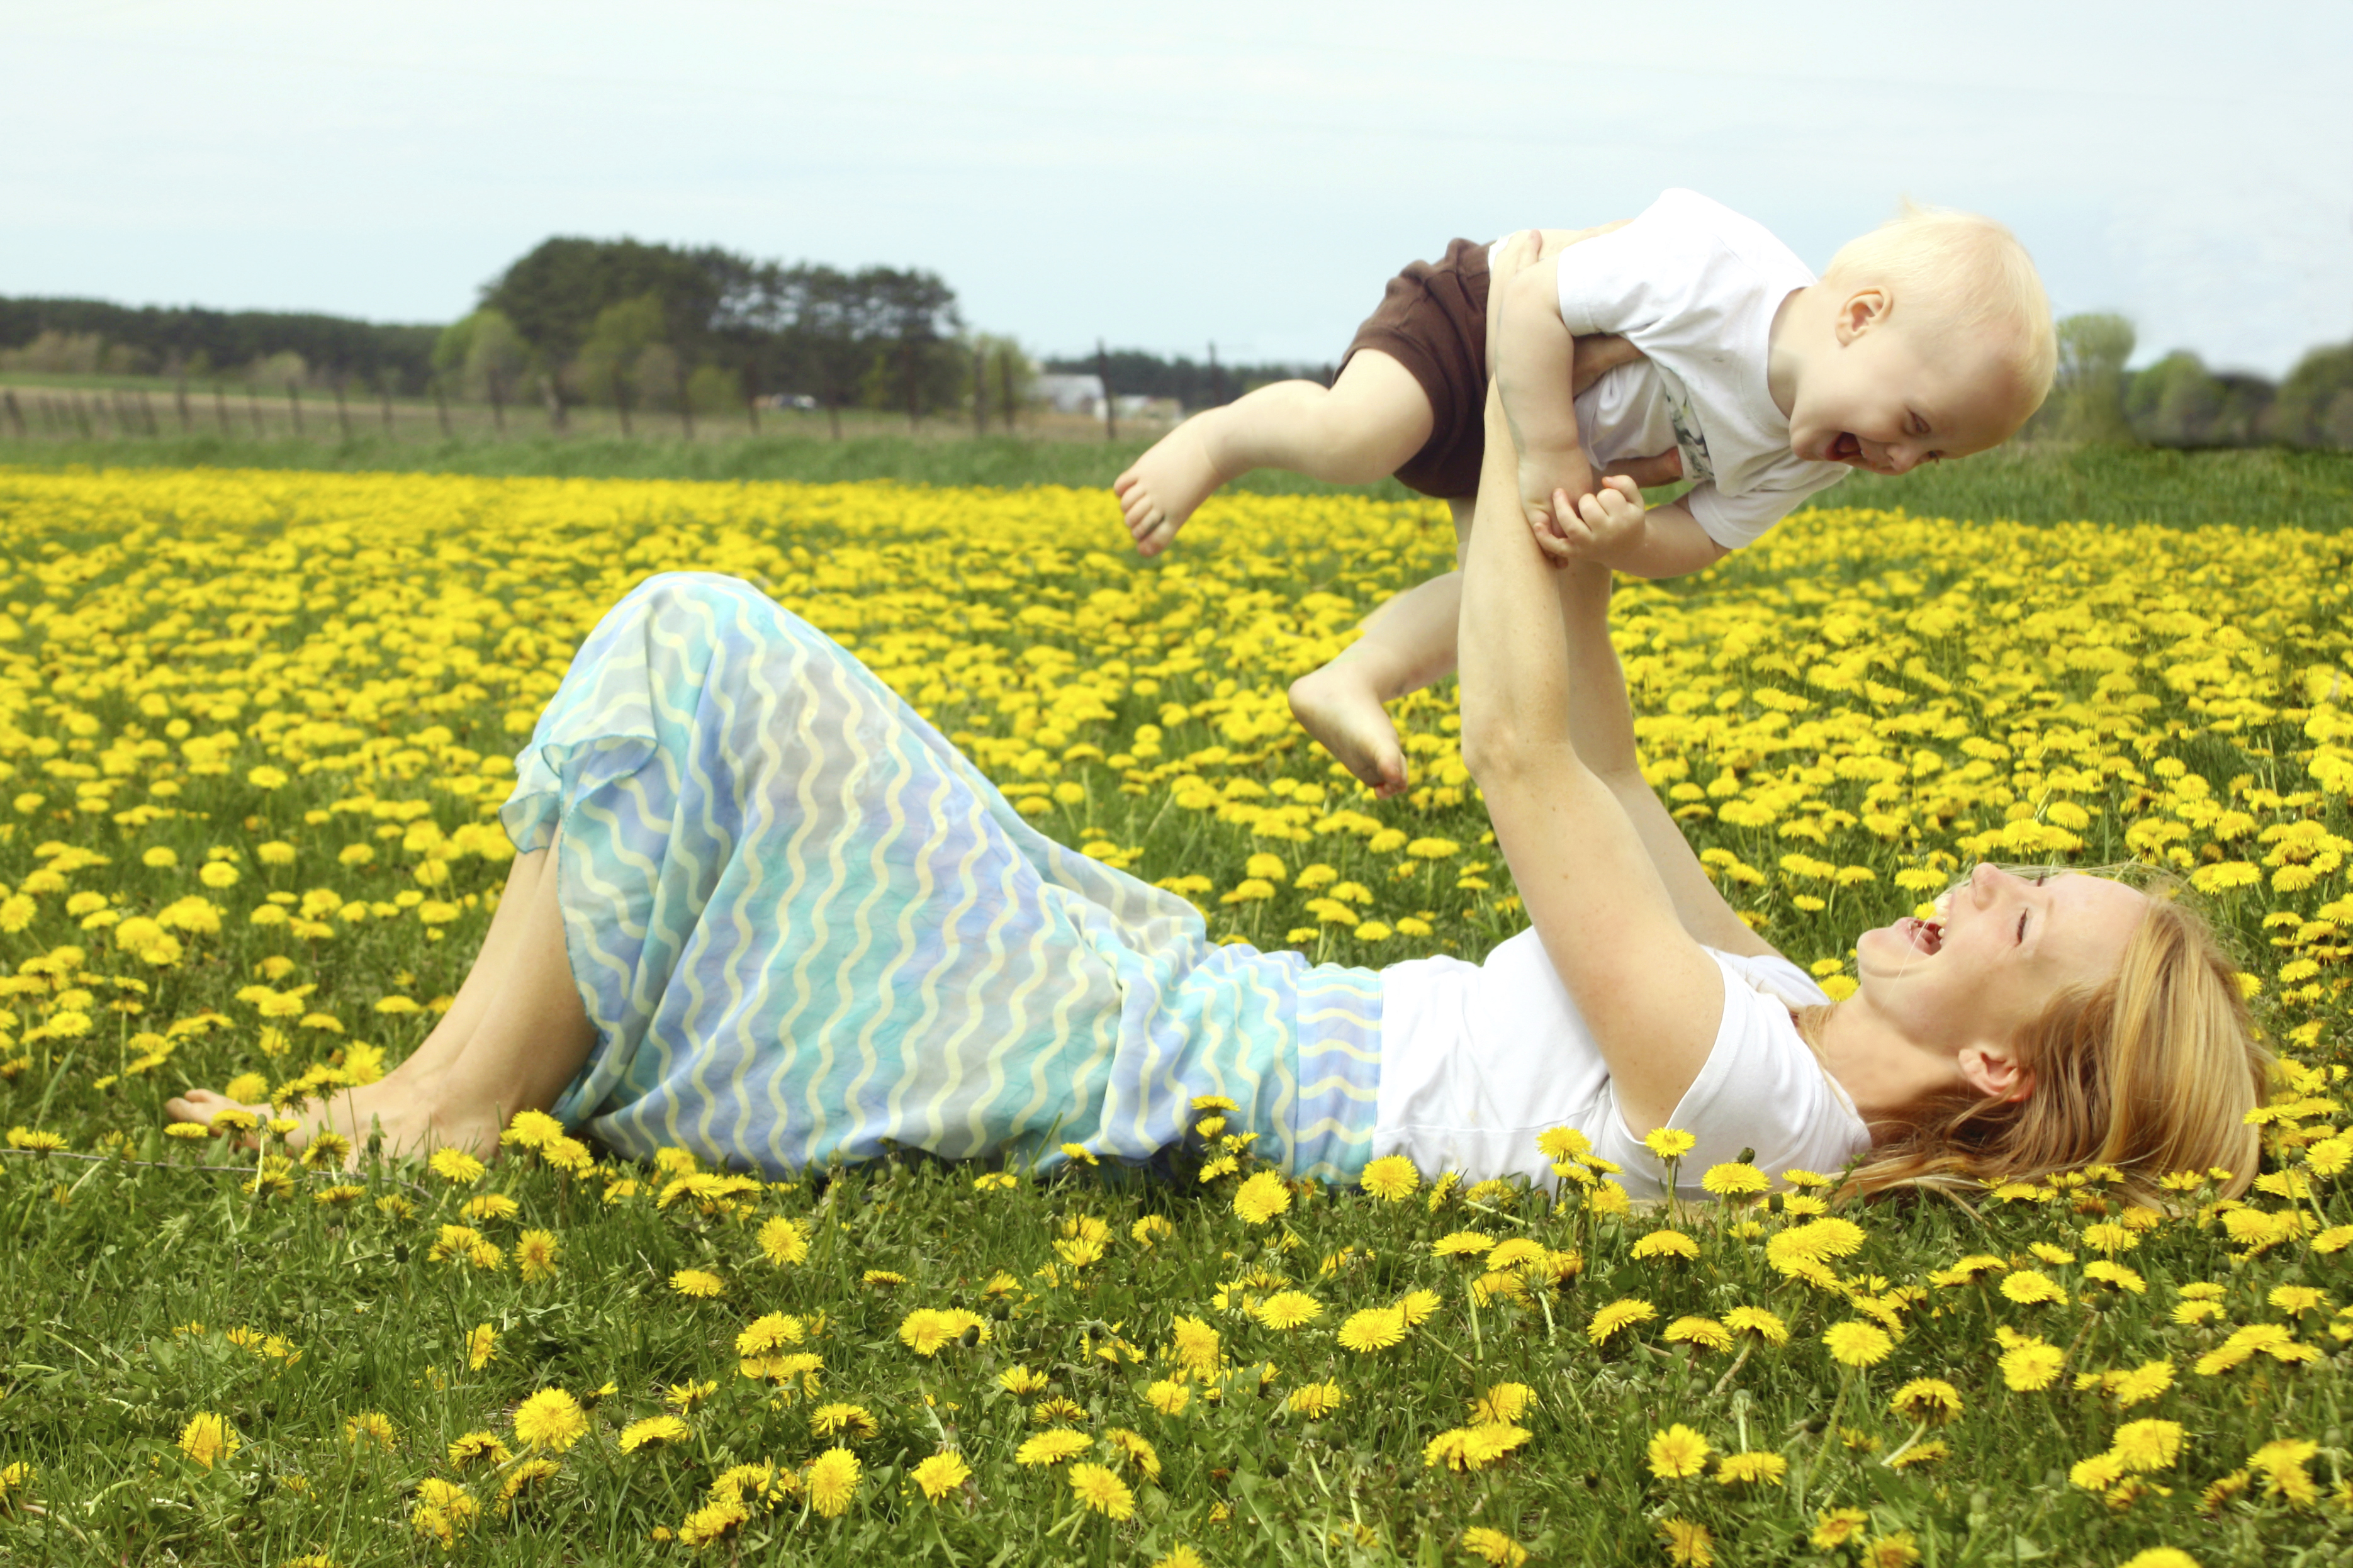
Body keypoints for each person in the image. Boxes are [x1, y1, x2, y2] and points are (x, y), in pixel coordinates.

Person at [166, 280, 2259, 1206]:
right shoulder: (1780, 1017)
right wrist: (1593, 504)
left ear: (2006, 1062)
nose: (1991, 872)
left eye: (2031, 911)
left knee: (697, 644)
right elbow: (1608, 767)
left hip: (1164, 1062)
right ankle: (452, 1093)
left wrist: (1526, 398)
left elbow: (1525, 773)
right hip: (1185, 1007)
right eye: (2029, 864)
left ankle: (446, 1111)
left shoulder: (1753, 1111)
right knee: (720, 714)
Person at [1115, 194, 2057, 799]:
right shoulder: (1717, 272)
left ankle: (1355, 676)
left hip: (1542, 455)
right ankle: (1221, 435)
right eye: (1914, 419)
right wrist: (1554, 449)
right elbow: (1533, 302)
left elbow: (1700, 538)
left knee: (1528, 593)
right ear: (1859, 318)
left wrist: (1620, 540)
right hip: (1474, 328)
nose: (1897, 460)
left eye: (1930, 457)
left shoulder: (1805, 457)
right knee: (1354, 436)